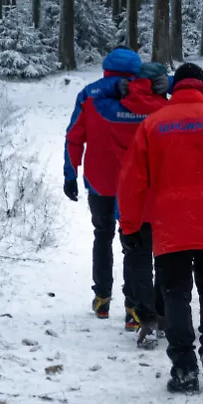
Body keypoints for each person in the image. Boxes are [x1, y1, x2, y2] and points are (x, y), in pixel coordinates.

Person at [118, 63, 203, 393]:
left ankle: (183, 367)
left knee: (175, 293)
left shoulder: (154, 125)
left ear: (173, 89)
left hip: (170, 225)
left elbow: (131, 183)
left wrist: (131, 227)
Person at [91, 62, 171, 348]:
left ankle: (142, 317)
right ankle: (163, 316)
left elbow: (95, 98)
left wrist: (115, 88)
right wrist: (172, 84)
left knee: (136, 260)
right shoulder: (167, 113)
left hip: (130, 199)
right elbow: (202, 98)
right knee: (164, 261)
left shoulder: (114, 109)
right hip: (162, 200)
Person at [64, 47, 142, 324]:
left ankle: (102, 299)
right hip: (137, 184)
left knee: (102, 235)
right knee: (134, 244)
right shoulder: (145, 96)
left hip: (99, 182)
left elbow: (74, 137)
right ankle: (134, 308)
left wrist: (70, 173)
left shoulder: (89, 95)